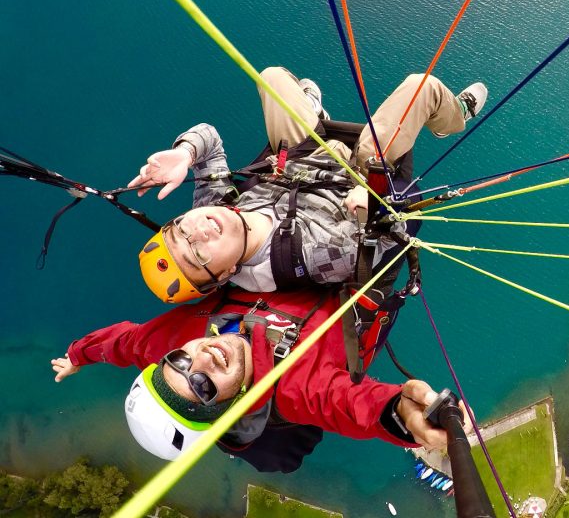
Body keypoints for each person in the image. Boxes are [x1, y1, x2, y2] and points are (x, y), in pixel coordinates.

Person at [130, 67, 487, 302]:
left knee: (271, 76)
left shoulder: (214, 211)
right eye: (196, 254)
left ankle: (312, 111)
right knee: (420, 87)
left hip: (300, 154)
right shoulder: (313, 255)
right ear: (226, 275)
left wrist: (185, 154)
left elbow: (209, 139)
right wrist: (377, 203)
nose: (198, 232)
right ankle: (454, 117)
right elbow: (397, 228)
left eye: (178, 230)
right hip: (361, 171)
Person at [51, 286, 471, 470]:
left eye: (178, 364)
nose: (200, 362)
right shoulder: (290, 389)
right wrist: (405, 415)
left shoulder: (169, 342)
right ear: (224, 408)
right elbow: (347, 405)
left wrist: (77, 356)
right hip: (356, 275)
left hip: (296, 239)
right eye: (202, 388)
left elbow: (122, 343)